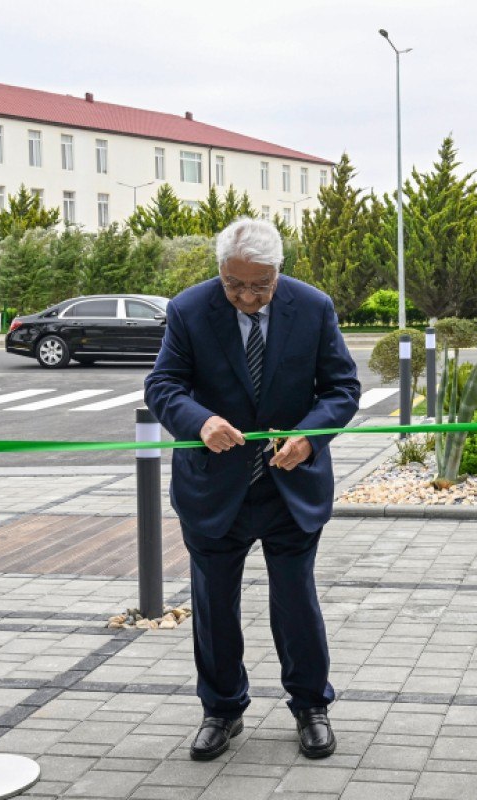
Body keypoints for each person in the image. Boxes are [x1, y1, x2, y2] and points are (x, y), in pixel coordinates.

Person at [145, 218, 360, 761]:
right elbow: (163, 384)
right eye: (233, 284)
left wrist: (310, 440)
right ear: (220, 272)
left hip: (290, 483)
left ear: (277, 273)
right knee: (214, 605)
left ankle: (311, 706)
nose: (244, 296)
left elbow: (341, 388)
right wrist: (199, 422)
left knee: (296, 602)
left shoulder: (313, 308)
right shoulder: (189, 309)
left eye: (258, 287)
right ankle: (221, 710)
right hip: (215, 490)